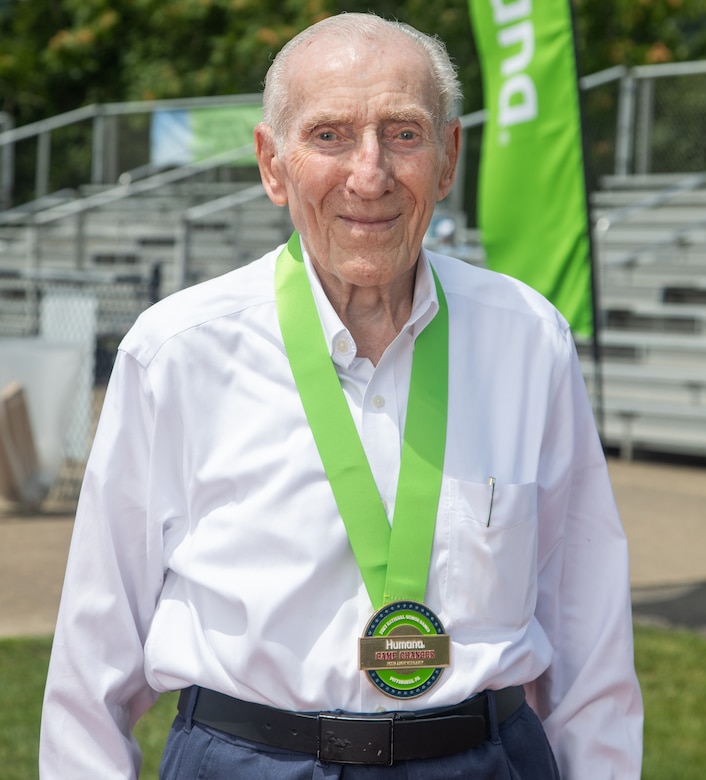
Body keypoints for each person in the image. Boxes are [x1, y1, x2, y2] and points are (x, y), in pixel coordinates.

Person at [40, 12, 643, 779]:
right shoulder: (177, 354)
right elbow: (93, 658)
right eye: (329, 136)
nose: (370, 174)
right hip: (247, 762)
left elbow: (589, 640)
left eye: (403, 133)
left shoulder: (529, 338)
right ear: (272, 163)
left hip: (484, 761)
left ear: (450, 155)